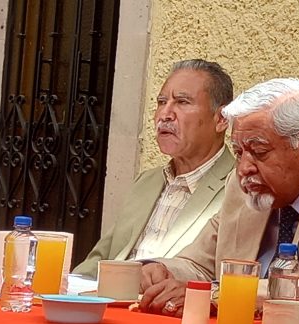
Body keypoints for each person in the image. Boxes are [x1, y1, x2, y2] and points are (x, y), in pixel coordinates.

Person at [138, 78, 299, 315]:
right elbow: (198, 264)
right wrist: (163, 271)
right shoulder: (243, 186)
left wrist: (216, 295)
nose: (243, 168)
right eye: (239, 152)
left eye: (259, 152)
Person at [74, 59, 235, 278]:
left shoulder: (238, 189)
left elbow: (227, 279)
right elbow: (100, 260)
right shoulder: (146, 182)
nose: (165, 115)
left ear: (221, 119)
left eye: (182, 102)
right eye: (161, 102)